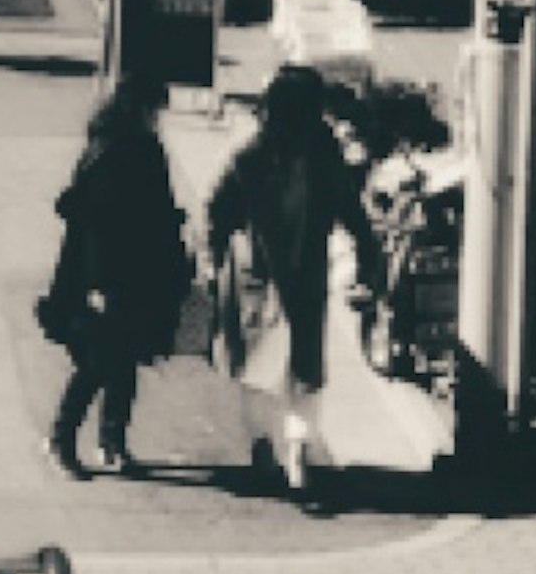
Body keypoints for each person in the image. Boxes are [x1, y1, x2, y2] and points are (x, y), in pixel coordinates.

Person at [206, 64, 374, 509]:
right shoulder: (307, 152)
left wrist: (213, 259)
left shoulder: (259, 152)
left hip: (268, 278)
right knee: (287, 372)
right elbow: (349, 208)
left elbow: (217, 213)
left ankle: (277, 449)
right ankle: (286, 455)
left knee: (270, 370)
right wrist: (367, 249)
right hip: (285, 279)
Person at [39, 81, 195, 478]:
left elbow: (157, 211)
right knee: (98, 362)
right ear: (137, 108)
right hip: (109, 276)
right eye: (153, 110)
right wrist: (98, 284)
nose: (157, 119)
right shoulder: (115, 154)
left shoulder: (136, 148)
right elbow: (98, 227)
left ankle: (112, 441)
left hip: (137, 273)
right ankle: (62, 438)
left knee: (123, 360)